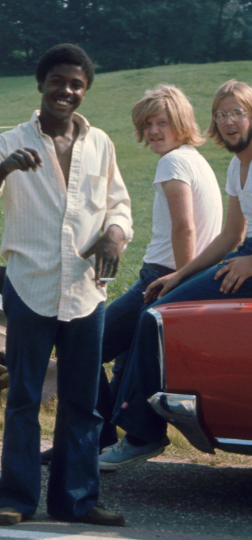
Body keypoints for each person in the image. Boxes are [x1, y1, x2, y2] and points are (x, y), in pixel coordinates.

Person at [0, 43, 132, 527]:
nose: (67, 91)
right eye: (58, 81)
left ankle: (77, 500)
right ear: (41, 85)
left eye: (77, 84)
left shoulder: (100, 144)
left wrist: (116, 234)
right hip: (30, 286)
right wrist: (5, 167)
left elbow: (119, 204)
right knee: (24, 399)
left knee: (83, 402)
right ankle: (15, 498)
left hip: (85, 292)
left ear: (85, 91)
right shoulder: (12, 140)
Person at [39, 85, 221, 465]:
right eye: (147, 124)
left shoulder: (173, 163)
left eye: (162, 123)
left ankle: (97, 443)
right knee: (116, 361)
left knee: (82, 349)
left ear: (182, 123)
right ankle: (97, 444)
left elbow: (185, 228)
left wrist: (181, 284)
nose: (153, 131)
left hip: (162, 278)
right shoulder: (194, 159)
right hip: (173, 275)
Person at [101, 79, 252, 471]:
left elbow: (187, 229)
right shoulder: (236, 166)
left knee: (150, 321)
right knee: (139, 334)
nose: (228, 121)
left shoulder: (175, 162)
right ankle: (113, 435)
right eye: (221, 115)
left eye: (237, 112)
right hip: (237, 253)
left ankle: (140, 435)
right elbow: (230, 236)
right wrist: (182, 276)